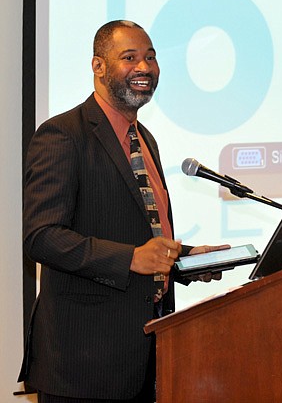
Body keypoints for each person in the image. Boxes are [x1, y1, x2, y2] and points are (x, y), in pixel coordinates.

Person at [18, 20, 229, 402]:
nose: (145, 68)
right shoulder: (63, 135)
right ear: (98, 66)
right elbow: (42, 237)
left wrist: (180, 259)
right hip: (84, 366)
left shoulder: (143, 137)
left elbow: (135, 230)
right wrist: (132, 258)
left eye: (150, 57)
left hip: (148, 356)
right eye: (129, 57)